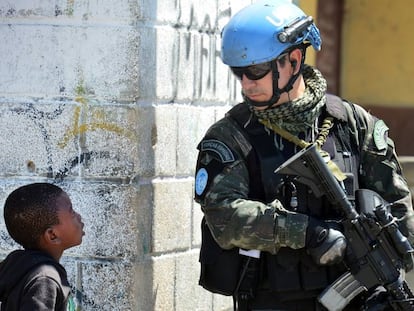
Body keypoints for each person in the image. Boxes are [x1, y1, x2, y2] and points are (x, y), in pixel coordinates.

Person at [194, 0, 414, 310]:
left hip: (362, 299)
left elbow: (397, 205)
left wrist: (392, 265)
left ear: (294, 61)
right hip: (273, 300)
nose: (246, 83)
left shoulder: (352, 124)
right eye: (239, 72)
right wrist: (306, 232)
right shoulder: (232, 135)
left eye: (256, 71)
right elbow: (223, 215)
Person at [0, 183, 85, 311]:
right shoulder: (44, 280)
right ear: (52, 235)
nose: (78, 216)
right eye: (71, 211)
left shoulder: (20, 266)